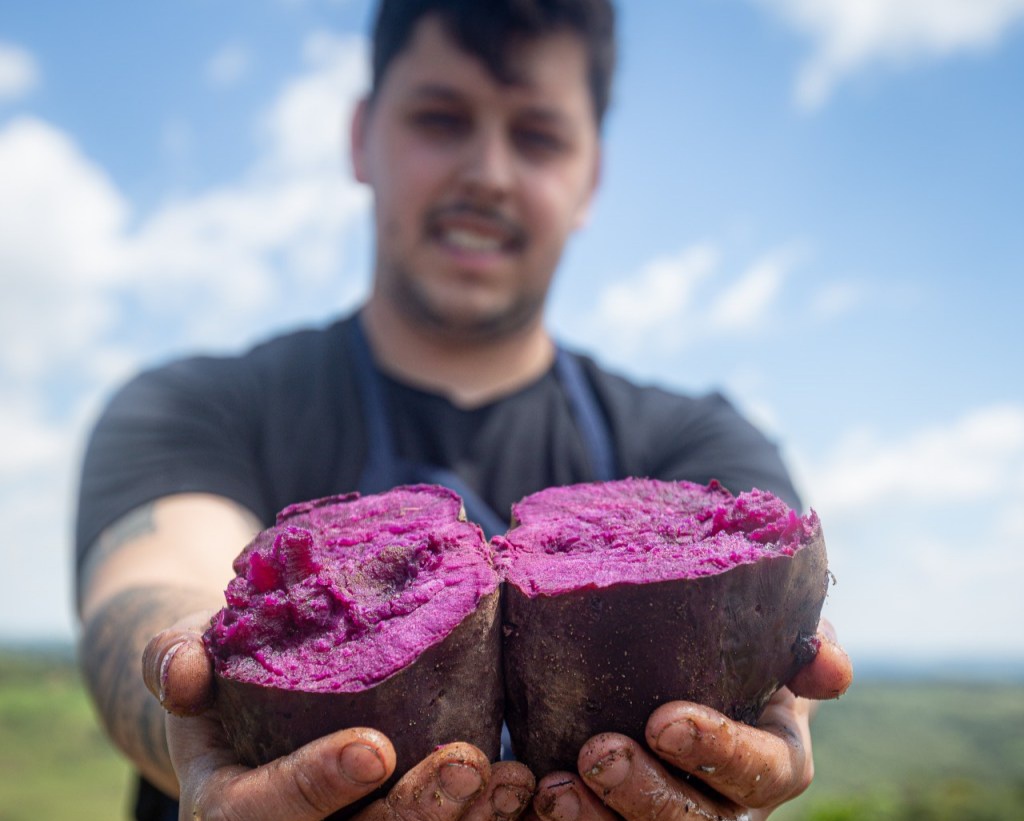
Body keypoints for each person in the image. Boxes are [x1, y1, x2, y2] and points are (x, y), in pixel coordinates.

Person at [75, 1, 853, 820]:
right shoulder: (196, 405)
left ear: (591, 179)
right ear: (361, 137)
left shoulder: (700, 442)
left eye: (538, 136)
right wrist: (193, 685)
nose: (487, 171)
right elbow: (150, 588)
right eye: (441, 119)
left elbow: (776, 645)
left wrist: (765, 718)